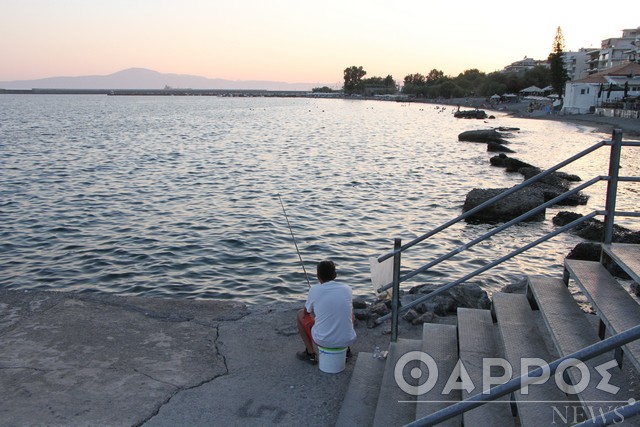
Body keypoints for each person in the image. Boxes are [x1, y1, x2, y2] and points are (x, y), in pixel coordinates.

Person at [296, 260, 357, 365]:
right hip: (348, 338)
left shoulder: (314, 290)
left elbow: (306, 313)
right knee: (350, 313)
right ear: (335, 275)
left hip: (323, 340)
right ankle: (346, 349)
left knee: (300, 314)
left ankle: (310, 354)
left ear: (318, 276)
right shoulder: (347, 289)